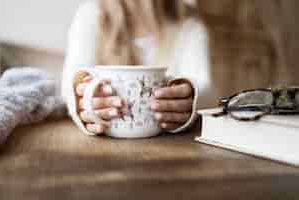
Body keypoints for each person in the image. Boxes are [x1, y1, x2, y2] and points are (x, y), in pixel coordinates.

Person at [62, 0, 211, 135]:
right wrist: (82, 103)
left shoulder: (189, 24)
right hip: (105, 140)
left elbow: (206, 88)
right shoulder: (91, 15)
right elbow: (70, 85)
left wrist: (191, 100)